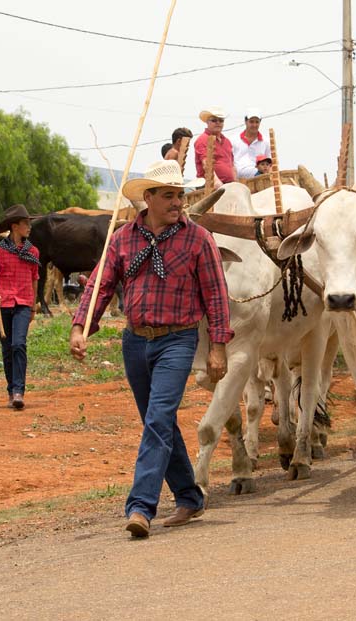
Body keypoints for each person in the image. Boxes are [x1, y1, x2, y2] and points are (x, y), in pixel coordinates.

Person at [70, 160, 233, 538]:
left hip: (178, 339)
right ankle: (190, 497)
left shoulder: (198, 239)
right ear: (149, 198)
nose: (178, 202)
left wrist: (218, 347)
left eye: (181, 195)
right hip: (135, 341)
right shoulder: (123, 238)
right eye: (170, 196)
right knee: (156, 422)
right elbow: (100, 285)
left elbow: (216, 296)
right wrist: (81, 327)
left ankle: (141, 506)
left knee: (158, 419)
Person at [0, 204, 40, 410]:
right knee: (7, 349)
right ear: (15, 226)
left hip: (23, 304)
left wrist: (33, 306)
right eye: (26, 223)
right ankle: (11, 392)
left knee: (19, 344)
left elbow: (35, 279)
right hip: (3, 305)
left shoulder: (33, 252)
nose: (29, 227)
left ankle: (19, 391)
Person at [193, 106, 235, 186]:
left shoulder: (227, 141)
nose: (218, 123)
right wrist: (216, 182)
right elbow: (206, 164)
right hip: (209, 185)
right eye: (214, 120)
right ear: (207, 122)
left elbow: (232, 165)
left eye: (221, 120)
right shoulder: (202, 140)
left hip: (228, 184)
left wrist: (236, 182)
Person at [233, 109, 271, 179]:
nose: (254, 125)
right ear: (246, 122)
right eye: (251, 122)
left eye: (257, 122)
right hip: (237, 178)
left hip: (258, 178)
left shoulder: (265, 141)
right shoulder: (234, 139)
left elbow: (271, 163)